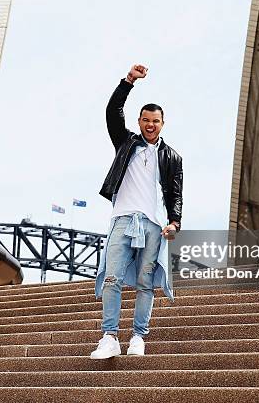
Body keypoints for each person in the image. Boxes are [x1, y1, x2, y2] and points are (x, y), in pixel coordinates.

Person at [90, 64, 183, 359]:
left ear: (163, 123)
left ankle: (138, 337)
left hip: (154, 225)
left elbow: (176, 192)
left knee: (145, 283)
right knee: (112, 278)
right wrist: (128, 81)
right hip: (123, 218)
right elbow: (112, 111)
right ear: (140, 121)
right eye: (145, 120)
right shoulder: (126, 142)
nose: (150, 125)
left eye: (156, 121)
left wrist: (175, 221)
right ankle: (109, 337)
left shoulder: (172, 157)